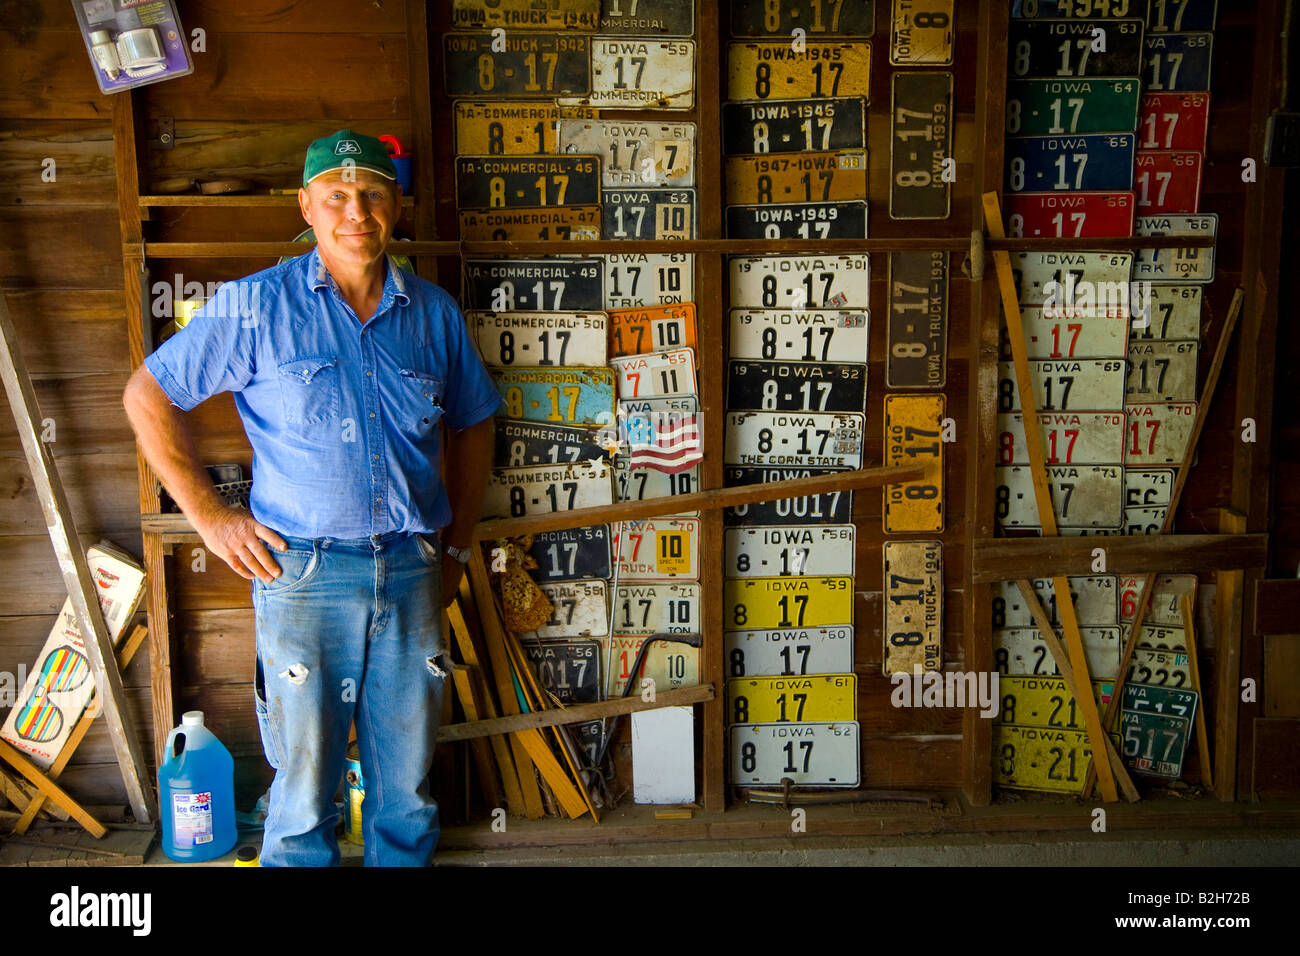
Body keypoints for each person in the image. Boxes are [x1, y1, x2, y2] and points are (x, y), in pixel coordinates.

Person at [122, 129, 499, 866]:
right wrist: (211, 518)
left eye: (372, 195)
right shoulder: (256, 307)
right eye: (336, 196)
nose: (355, 211)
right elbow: (147, 396)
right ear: (306, 206)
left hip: (414, 565)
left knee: (409, 786)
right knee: (303, 786)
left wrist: (454, 545)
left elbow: (475, 422)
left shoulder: (432, 314)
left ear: (395, 205)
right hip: (302, 574)